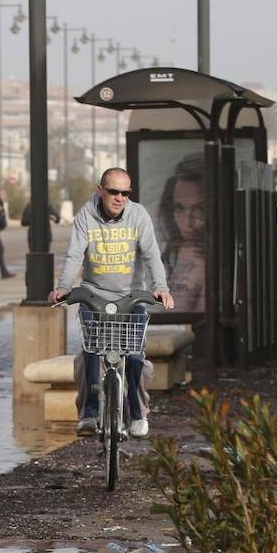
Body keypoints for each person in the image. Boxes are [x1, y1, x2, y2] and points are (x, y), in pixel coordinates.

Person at [50, 167, 174, 439]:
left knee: (135, 358)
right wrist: (63, 287)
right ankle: (89, 414)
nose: (120, 198)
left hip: (131, 297)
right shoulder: (86, 215)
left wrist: (160, 288)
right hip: (94, 296)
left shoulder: (138, 215)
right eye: (114, 192)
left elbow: (152, 255)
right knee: (89, 355)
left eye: (125, 193)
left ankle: (138, 415)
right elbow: (74, 255)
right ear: (100, 191)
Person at [156, 153, 206, 313]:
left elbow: (175, 314)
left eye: (199, 210)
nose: (188, 221)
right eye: (179, 208)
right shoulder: (173, 255)